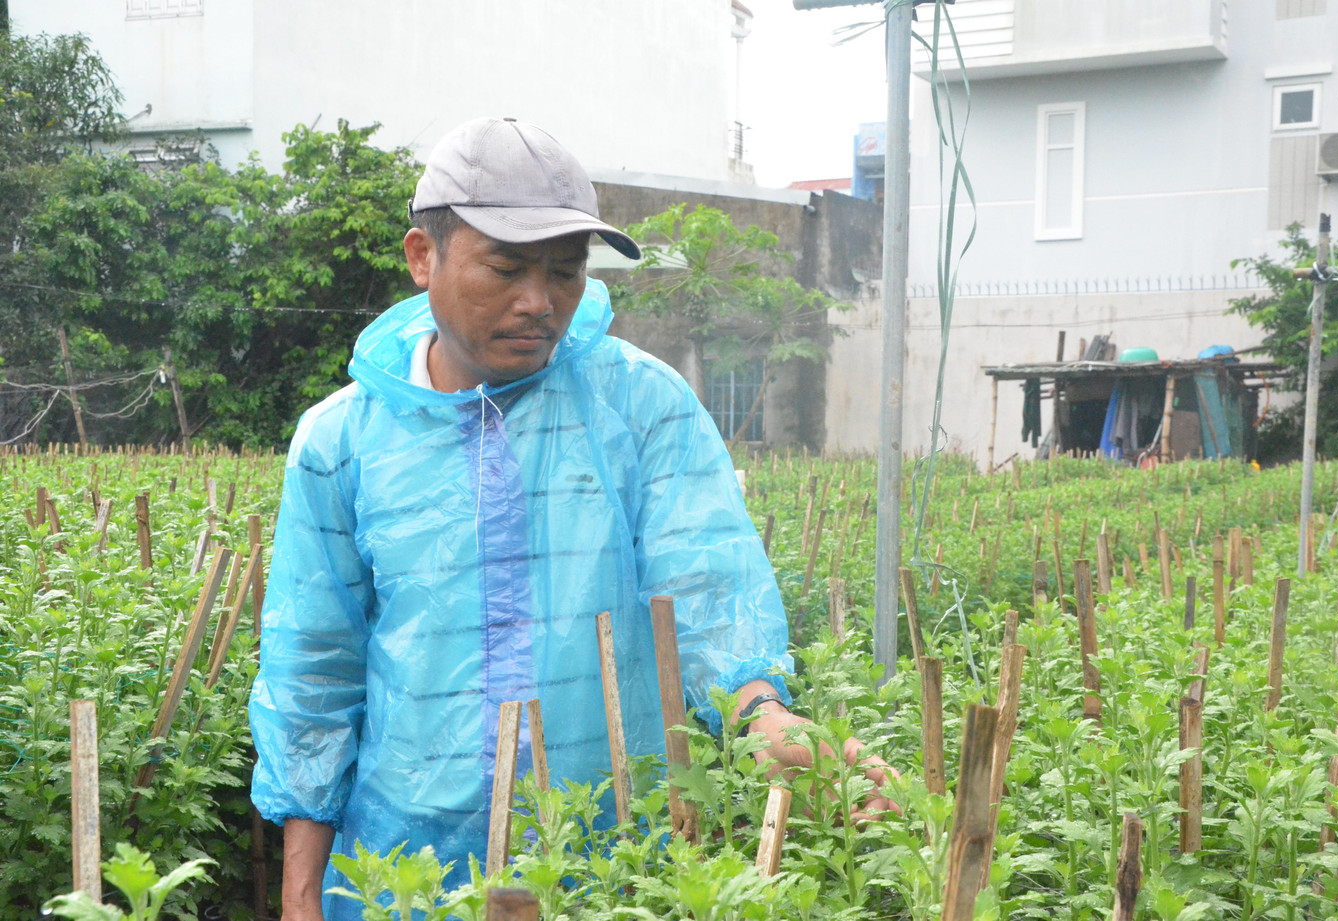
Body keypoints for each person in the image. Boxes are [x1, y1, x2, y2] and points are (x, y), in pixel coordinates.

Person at [249, 117, 896, 921]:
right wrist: (302, 898)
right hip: (404, 874)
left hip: (610, 866)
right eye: (507, 267)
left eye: (565, 272)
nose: (539, 302)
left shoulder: (639, 405)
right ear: (424, 258)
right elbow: (314, 674)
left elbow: (704, 586)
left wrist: (763, 713)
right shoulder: (340, 443)